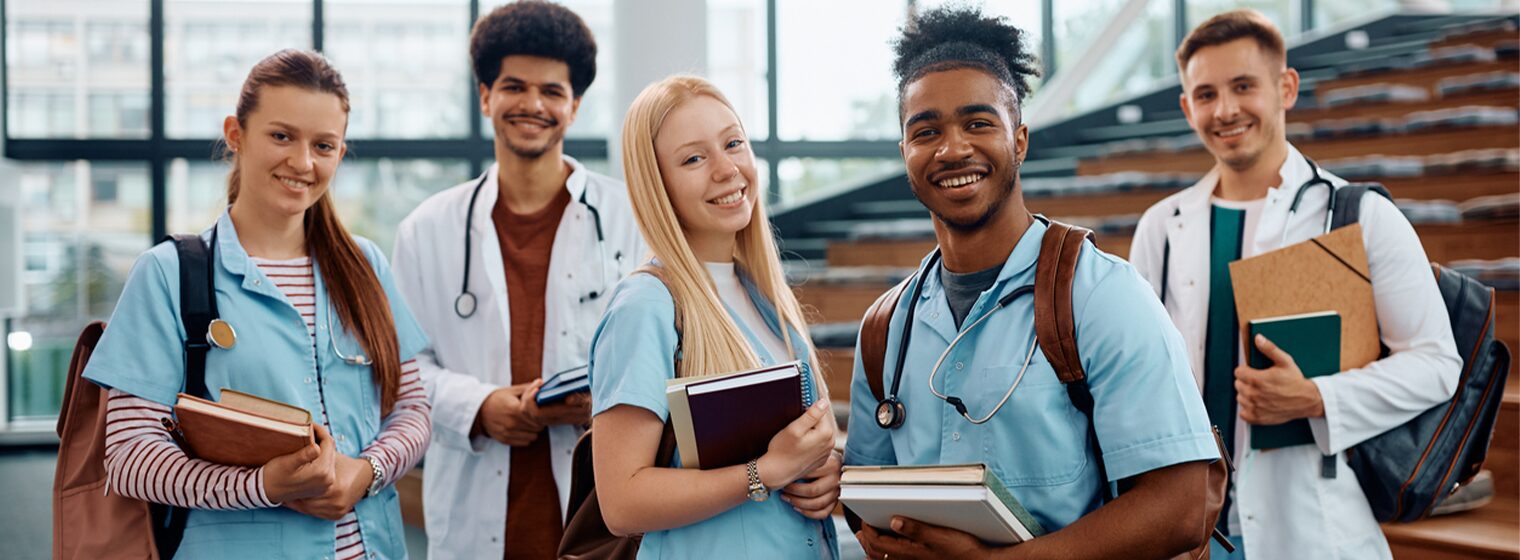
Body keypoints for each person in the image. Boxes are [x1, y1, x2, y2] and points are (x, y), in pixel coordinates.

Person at [845, 7, 1221, 559]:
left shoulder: (1100, 294)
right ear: (905, 152)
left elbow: (1183, 507)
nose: (952, 149)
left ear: (1018, 141)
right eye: (926, 132)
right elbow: (865, 497)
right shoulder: (886, 327)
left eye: (978, 123)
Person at [1128, 10, 1462, 559]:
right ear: (1188, 107)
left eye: (1243, 86)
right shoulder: (1161, 229)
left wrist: (1315, 397)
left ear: (1285, 88)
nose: (1226, 110)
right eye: (1206, 94)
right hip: (1188, 531)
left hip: (1311, 527)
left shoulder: (1357, 215)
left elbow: (1436, 363)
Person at [83, 49, 430, 559]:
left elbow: (413, 407)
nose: (303, 163)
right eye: (282, 136)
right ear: (235, 133)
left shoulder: (365, 265)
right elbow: (131, 458)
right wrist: (266, 485)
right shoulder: (168, 274)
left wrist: (366, 472)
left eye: (324, 145)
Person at [389, 2, 643, 558]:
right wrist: (478, 407)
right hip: (473, 519)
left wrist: (604, 398)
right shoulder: (426, 230)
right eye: (514, 86)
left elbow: (670, 352)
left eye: (552, 91)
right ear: (485, 96)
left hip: (600, 520)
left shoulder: (631, 218)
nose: (532, 104)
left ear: (575, 106)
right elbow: (402, 372)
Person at [586, 75, 841, 559]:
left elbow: (794, 445)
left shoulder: (764, 296)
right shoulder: (647, 306)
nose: (727, 170)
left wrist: (825, 467)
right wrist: (764, 474)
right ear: (657, 185)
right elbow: (621, 502)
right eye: (694, 158)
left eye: (733, 143)